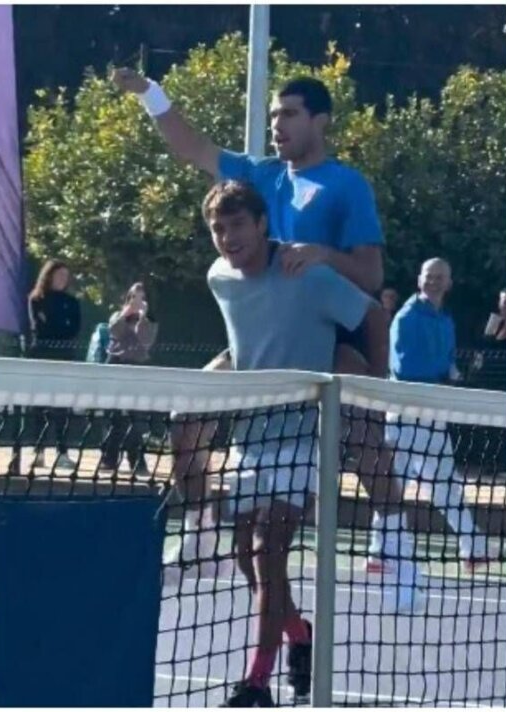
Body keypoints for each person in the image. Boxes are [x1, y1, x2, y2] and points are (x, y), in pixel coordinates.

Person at [112, 69, 401, 580]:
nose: (276, 124)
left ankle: (395, 544)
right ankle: (201, 535)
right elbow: (192, 146)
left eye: (289, 114)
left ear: (320, 121)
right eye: (273, 115)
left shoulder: (347, 185)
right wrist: (148, 92)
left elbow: (371, 275)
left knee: (363, 433)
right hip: (261, 338)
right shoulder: (259, 175)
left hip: (329, 338)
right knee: (187, 418)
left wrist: (321, 254)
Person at [197, 182, 416, 707]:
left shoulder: (307, 274)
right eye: (218, 229)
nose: (228, 237)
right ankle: (300, 636)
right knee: (248, 559)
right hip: (250, 438)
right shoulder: (218, 278)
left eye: (238, 225)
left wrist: (373, 390)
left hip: (305, 438)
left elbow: (374, 315)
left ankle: (256, 683)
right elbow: (251, 341)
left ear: (262, 224)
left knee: (268, 550)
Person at [374, 259, 490, 574]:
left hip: (432, 412)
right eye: (429, 276)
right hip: (405, 411)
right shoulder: (407, 317)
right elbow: (404, 367)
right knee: (396, 482)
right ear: (419, 280)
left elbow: (447, 361)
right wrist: (442, 379)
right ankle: (381, 550)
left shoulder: (445, 321)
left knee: (440, 483)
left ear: (448, 283)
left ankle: (471, 547)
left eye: (440, 277)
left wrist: (455, 374)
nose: (434, 281)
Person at [26, 259, 82, 469]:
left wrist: (55, 325)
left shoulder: (72, 302)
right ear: (48, 276)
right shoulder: (36, 299)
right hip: (41, 357)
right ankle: (39, 451)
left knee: (61, 407)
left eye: (65, 276)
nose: (62, 279)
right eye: (59, 275)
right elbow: (40, 328)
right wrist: (56, 325)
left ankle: (62, 452)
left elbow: (73, 329)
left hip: (64, 358)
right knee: (39, 406)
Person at [100, 283, 158, 471]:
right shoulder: (117, 316)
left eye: (141, 298)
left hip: (137, 369)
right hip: (116, 366)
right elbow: (115, 331)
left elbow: (144, 340)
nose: (136, 301)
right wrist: (126, 314)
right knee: (115, 416)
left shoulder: (151, 321)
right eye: (133, 297)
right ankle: (109, 459)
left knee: (136, 418)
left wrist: (142, 318)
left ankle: (137, 460)